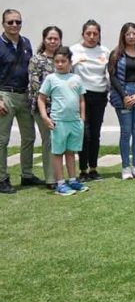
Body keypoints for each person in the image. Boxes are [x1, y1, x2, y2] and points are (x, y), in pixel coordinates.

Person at [37, 46, 89, 196]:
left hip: (75, 122)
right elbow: (41, 98)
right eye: (57, 61)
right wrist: (45, 117)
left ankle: (72, 180)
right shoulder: (51, 78)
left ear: (70, 62)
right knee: (58, 153)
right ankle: (60, 183)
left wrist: (82, 118)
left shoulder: (76, 78)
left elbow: (81, 99)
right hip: (58, 122)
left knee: (71, 152)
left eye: (63, 61)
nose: (60, 64)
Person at [0, 9, 40, 194]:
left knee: (29, 137)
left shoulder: (26, 43)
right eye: (10, 22)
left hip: (24, 95)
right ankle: (2, 178)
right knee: (2, 140)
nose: (14, 25)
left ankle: (27, 174)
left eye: (18, 22)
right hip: (5, 95)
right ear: (3, 24)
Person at [108, 23, 135, 180]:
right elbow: (112, 76)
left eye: (134, 33)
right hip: (123, 96)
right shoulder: (116, 54)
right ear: (123, 36)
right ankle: (126, 167)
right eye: (128, 34)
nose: (131, 36)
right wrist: (124, 95)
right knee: (126, 131)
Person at [69, 20, 109, 181]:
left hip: (100, 96)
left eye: (95, 34)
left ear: (99, 35)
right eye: (88, 33)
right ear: (83, 34)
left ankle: (93, 168)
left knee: (95, 133)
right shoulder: (74, 50)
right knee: (84, 134)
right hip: (81, 97)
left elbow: (108, 74)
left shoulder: (104, 51)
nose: (92, 37)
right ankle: (83, 170)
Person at [28, 26, 62, 188]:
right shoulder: (36, 60)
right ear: (44, 39)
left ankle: (59, 176)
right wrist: (52, 102)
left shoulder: (62, 59)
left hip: (61, 108)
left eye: (56, 38)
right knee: (49, 141)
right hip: (43, 108)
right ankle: (51, 179)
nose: (52, 41)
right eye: (50, 38)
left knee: (59, 142)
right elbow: (36, 86)